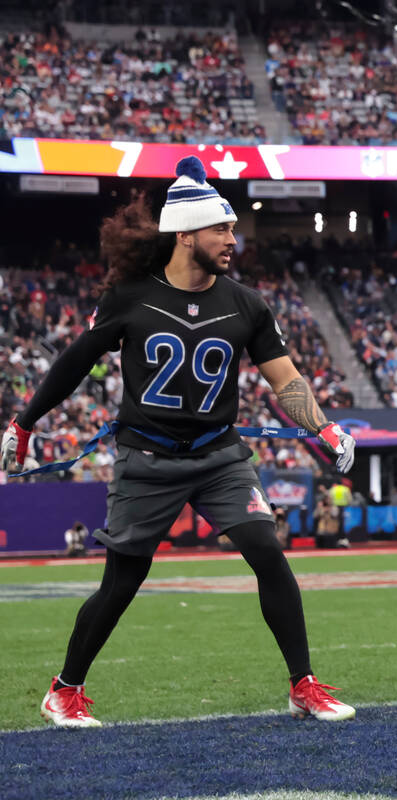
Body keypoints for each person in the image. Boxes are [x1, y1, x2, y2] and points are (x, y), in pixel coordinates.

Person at [1, 158, 357, 728]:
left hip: (219, 457)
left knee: (266, 551)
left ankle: (303, 684)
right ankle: (64, 689)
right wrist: (25, 421)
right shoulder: (131, 297)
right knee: (122, 581)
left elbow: (285, 379)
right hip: (147, 458)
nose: (232, 240)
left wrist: (324, 426)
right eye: (222, 229)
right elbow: (75, 361)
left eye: (233, 230)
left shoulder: (247, 303)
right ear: (185, 233)